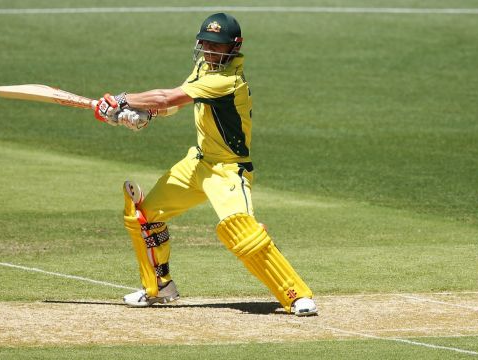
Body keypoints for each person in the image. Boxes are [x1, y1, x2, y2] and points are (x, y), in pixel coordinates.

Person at [94, 13, 317, 316]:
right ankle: (159, 286)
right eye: (206, 44)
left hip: (228, 169)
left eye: (218, 46)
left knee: (241, 232)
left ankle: (296, 295)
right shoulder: (204, 67)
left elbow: (165, 96)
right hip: (198, 162)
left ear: (233, 48)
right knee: (144, 214)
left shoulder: (226, 80)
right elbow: (173, 102)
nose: (211, 51)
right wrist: (144, 115)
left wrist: (122, 101)